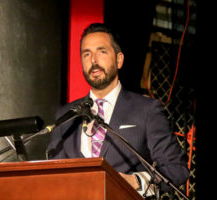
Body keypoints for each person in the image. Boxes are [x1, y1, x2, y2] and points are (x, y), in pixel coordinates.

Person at [47, 23, 189, 197]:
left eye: (102, 51)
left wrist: (137, 182)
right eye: (86, 54)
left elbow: (176, 169)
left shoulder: (147, 110)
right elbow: (51, 174)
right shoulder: (65, 115)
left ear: (119, 60)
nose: (93, 60)